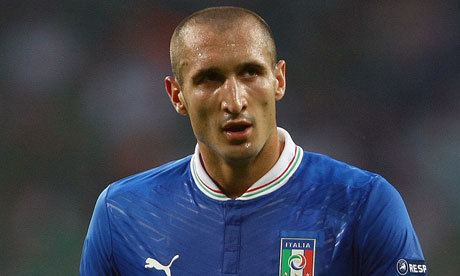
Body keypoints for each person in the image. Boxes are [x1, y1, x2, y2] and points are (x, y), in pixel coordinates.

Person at [80, 6, 427, 276]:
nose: (234, 101)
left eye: (250, 73)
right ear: (176, 95)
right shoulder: (122, 212)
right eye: (209, 79)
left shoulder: (361, 204)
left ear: (278, 80)